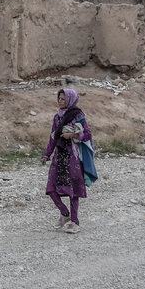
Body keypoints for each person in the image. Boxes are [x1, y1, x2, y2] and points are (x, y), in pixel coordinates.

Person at [41, 87, 92, 233]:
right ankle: (64, 214)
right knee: (51, 189)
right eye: (59, 98)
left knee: (73, 191)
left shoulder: (78, 116)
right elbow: (53, 138)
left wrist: (73, 136)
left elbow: (87, 135)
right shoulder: (57, 117)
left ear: (70, 100)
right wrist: (47, 154)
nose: (60, 101)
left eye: (63, 99)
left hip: (73, 157)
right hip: (59, 156)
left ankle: (75, 222)